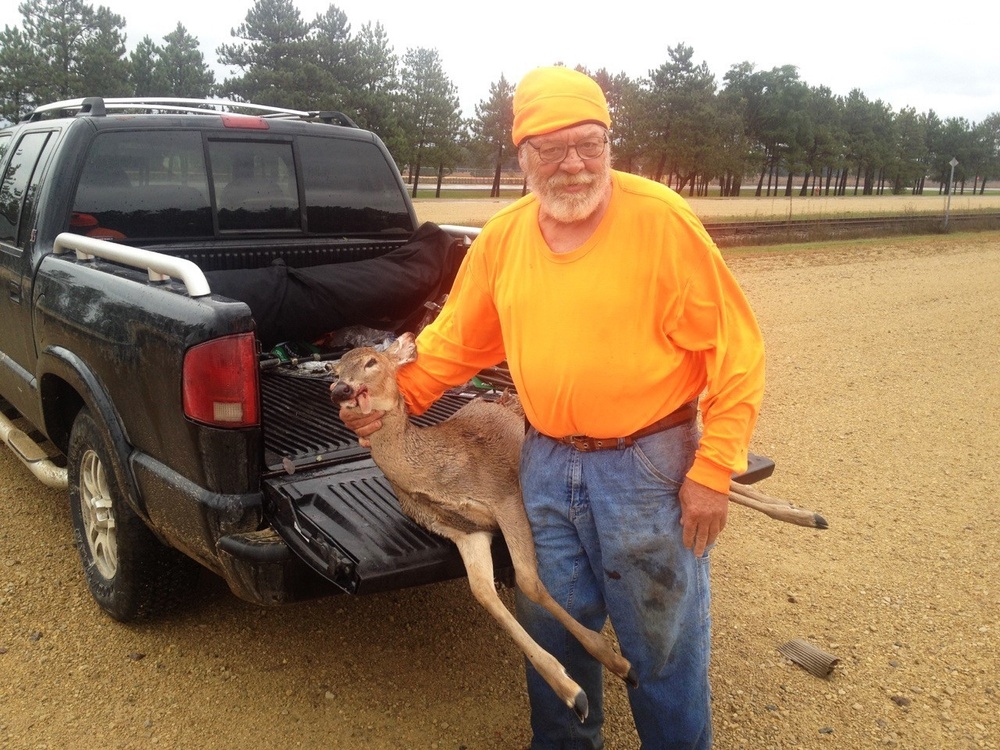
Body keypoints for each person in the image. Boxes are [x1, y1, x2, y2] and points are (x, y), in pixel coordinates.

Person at [337, 65, 765, 750]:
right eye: (551, 148)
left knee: (660, 636)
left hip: (646, 466)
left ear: (609, 144)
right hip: (541, 462)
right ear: (523, 155)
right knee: (552, 618)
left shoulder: (661, 221)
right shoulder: (504, 239)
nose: (573, 164)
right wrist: (389, 403)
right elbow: (453, 346)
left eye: (589, 143)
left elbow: (736, 351)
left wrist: (714, 467)